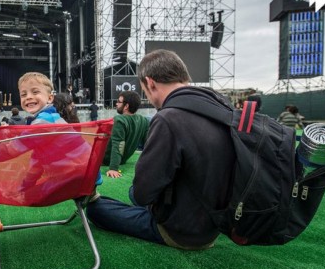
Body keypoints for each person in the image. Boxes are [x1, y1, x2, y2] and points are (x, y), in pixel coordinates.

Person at [86, 49, 236, 250]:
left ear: (150, 83)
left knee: (97, 209)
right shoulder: (224, 109)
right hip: (217, 224)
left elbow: (141, 194)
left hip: (179, 231)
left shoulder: (169, 118)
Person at [103, 91, 150, 179]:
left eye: (119, 101)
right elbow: (148, 145)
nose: (116, 104)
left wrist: (113, 168)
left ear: (126, 106)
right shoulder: (144, 120)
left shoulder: (119, 120)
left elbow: (118, 144)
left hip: (105, 160)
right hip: (123, 160)